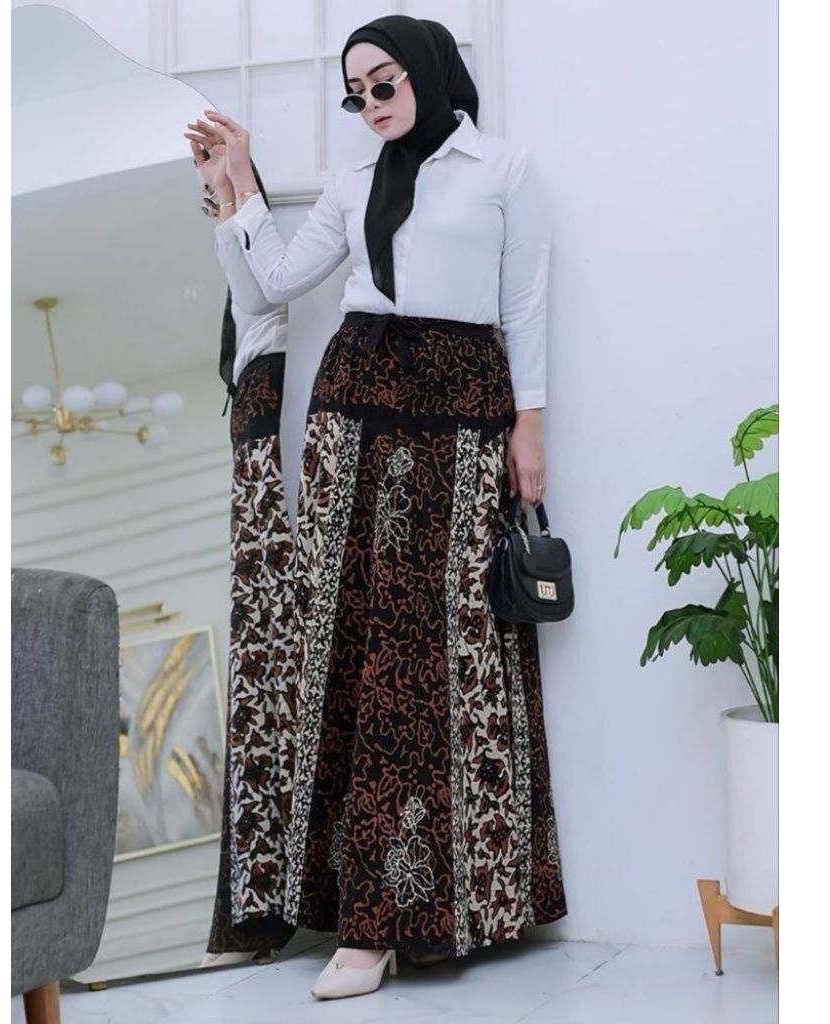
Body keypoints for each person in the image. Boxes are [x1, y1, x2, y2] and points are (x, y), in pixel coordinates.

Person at [185, 14, 568, 1001]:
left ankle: (414, 912)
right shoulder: (356, 180)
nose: (371, 104)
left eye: (384, 82)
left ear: (428, 71)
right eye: (356, 93)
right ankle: (343, 914)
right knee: (345, 640)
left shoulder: (503, 170)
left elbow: (523, 306)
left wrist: (529, 428)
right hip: (352, 406)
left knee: (435, 647)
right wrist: (234, 186)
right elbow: (273, 283)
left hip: (460, 407)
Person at [185, 136, 301, 966]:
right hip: (262, 479)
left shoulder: (289, 300)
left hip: (290, 464)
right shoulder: (253, 347)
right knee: (267, 679)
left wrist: (236, 187)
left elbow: (266, 298)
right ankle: (263, 903)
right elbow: (252, 303)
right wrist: (224, 191)